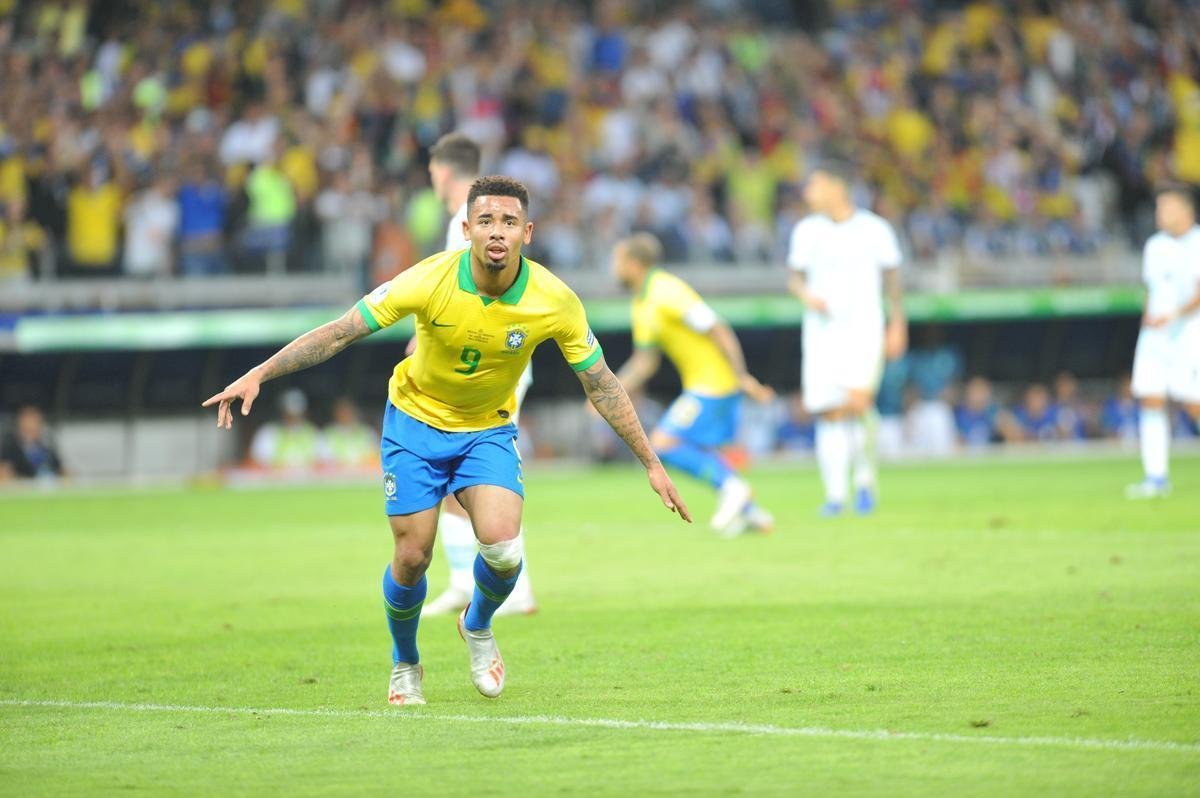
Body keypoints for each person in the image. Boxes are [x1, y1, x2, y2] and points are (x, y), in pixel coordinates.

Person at [203, 176, 690, 707]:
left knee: (503, 550)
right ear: (466, 229)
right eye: (485, 221)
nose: (496, 232)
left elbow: (601, 383)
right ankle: (405, 662)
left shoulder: (555, 300)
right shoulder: (430, 279)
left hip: (485, 430)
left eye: (508, 222)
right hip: (414, 426)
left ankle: (476, 624)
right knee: (413, 556)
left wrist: (650, 462)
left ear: (527, 232)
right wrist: (260, 373)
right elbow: (342, 330)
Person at [422, 132, 538, 617]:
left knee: (488, 481)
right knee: (458, 484)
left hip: (492, 367)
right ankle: (462, 581)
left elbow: (458, 299)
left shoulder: (465, 225)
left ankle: (517, 588)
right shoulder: (480, 221)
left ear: (443, 172)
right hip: (488, 365)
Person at [611, 233, 775, 536]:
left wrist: (741, 376)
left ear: (634, 264)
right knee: (695, 447)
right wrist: (608, 392)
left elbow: (718, 328)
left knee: (663, 444)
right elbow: (646, 361)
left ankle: (733, 487)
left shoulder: (667, 291)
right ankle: (753, 515)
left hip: (715, 384)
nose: (613, 268)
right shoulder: (642, 301)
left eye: (617, 261)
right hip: (703, 385)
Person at [786, 158, 907, 515]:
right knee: (828, 413)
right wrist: (806, 295)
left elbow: (893, 281)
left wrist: (897, 323)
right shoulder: (806, 231)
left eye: (814, 185)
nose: (808, 193)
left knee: (858, 405)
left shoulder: (874, 229)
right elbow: (794, 277)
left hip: (864, 330)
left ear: (836, 187)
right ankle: (836, 495)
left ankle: (866, 484)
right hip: (822, 334)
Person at [1127, 184, 1200, 498]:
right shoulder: (1155, 245)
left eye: (1166, 207)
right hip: (1155, 335)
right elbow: (1150, 288)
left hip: (1188, 332)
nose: (1160, 214)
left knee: (1192, 402)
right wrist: (1149, 317)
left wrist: (1171, 315)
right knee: (1151, 398)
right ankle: (1156, 477)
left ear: (1185, 210)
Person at [248, 388, 325, 470]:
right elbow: (254, 462)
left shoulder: (313, 433)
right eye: (289, 414)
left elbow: (324, 463)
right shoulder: (268, 432)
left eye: (297, 414)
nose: (293, 418)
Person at [0, 406, 64, 481]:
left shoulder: (46, 447)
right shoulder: (11, 448)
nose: (33, 426)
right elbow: (4, 472)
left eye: (36, 422)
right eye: (29, 422)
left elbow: (60, 469)